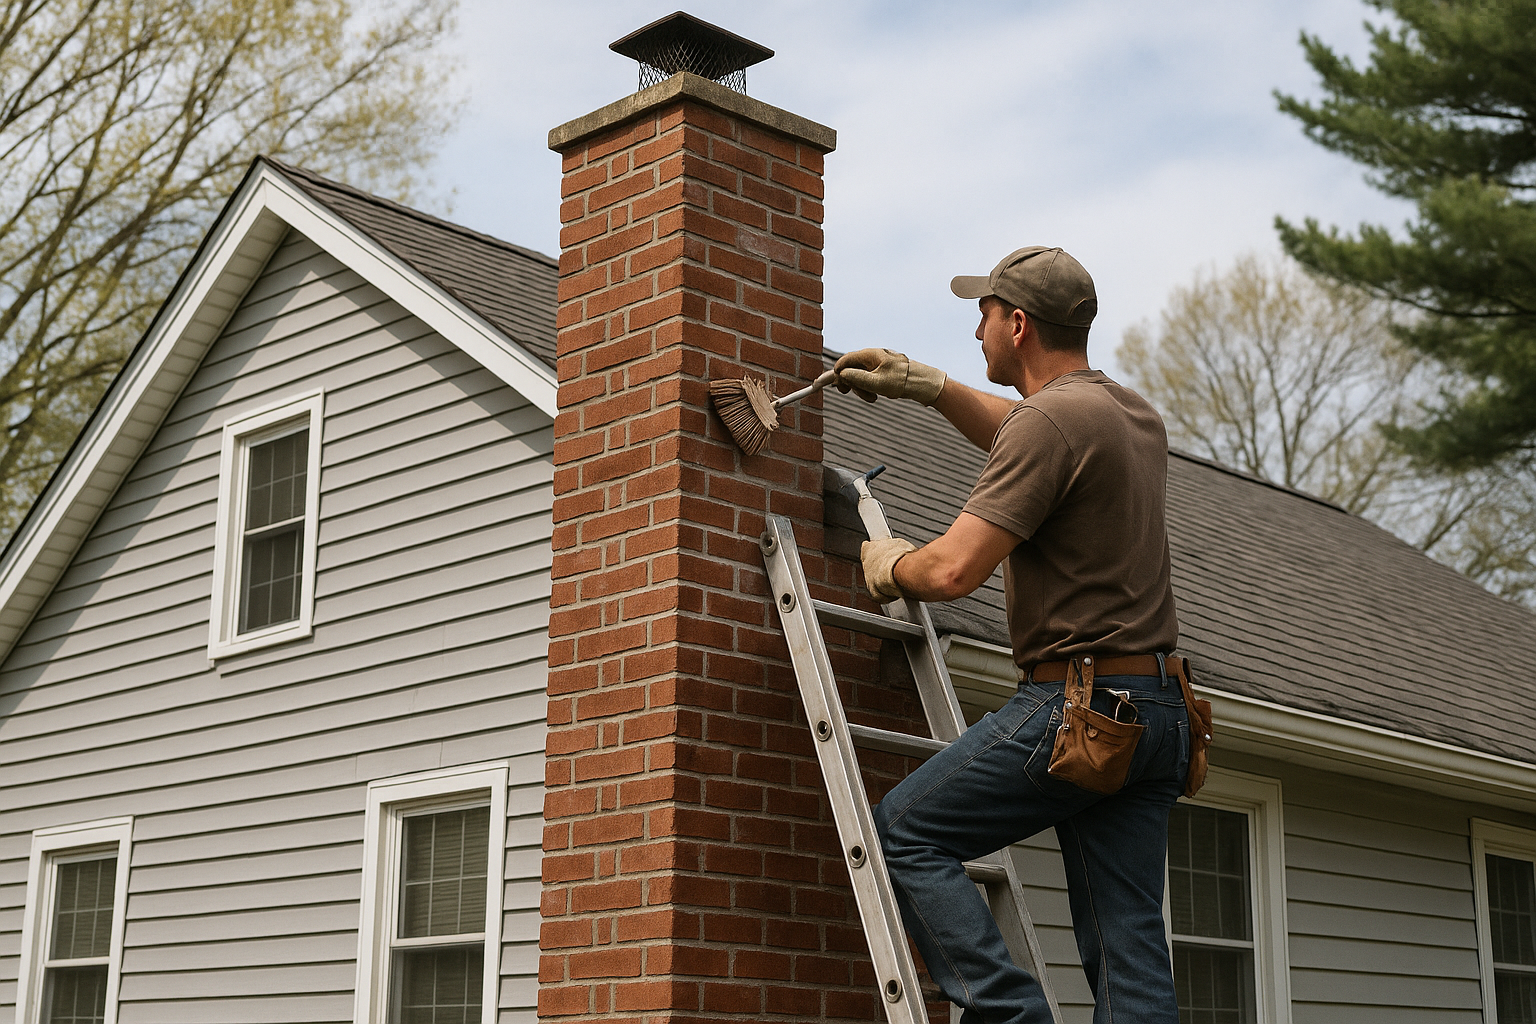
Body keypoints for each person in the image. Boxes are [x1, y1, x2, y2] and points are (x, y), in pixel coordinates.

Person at [833, 246, 1188, 1024]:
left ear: (1018, 324)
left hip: (1080, 704)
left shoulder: (1049, 423)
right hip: (1158, 710)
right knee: (1127, 947)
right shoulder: (1129, 414)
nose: (977, 332)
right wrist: (926, 386)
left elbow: (954, 571)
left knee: (906, 829)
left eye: (984, 315)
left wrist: (892, 565)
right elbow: (1028, 431)